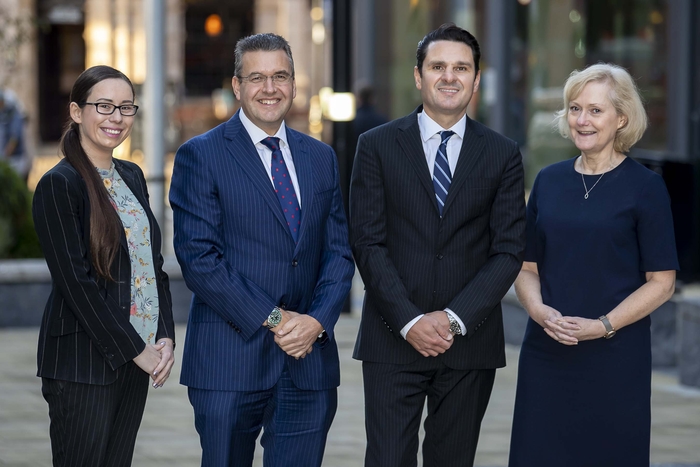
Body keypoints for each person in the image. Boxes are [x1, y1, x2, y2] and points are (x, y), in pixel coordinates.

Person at [169, 33, 354, 467]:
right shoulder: (201, 155)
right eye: (257, 78)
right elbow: (199, 260)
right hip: (229, 361)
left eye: (280, 76)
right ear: (237, 86)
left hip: (308, 362)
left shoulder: (321, 157)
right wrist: (276, 319)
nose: (270, 88)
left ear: (294, 84)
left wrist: (316, 321)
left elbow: (339, 253)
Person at [350, 23, 526, 467]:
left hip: (468, 341)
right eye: (438, 67)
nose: (450, 77)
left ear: (476, 79)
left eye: (461, 68)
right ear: (418, 75)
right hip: (393, 337)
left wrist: (453, 319)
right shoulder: (376, 145)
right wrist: (410, 320)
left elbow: (508, 250)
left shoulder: (503, 153)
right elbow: (367, 242)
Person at [508, 63, 678, 467]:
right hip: (547, 351)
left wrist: (602, 326)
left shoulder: (646, 187)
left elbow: (662, 282)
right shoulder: (548, 181)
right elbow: (526, 266)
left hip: (615, 356)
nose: (582, 120)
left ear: (622, 118)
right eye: (575, 108)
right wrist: (539, 311)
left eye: (596, 110)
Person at [32, 65, 176, 466]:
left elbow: (152, 265)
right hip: (83, 362)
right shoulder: (60, 184)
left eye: (126, 107)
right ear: (77, 112)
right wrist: (136, 349)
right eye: (105, 106)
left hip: (137, 355)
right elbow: (76, 284)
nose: (117, 117)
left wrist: (164, 335)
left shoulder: (131, 175)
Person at [0, 88, 30, 182]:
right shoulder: (3, 116)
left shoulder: (14, 116)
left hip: (15, 161)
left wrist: (4, 159)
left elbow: (14, 140)